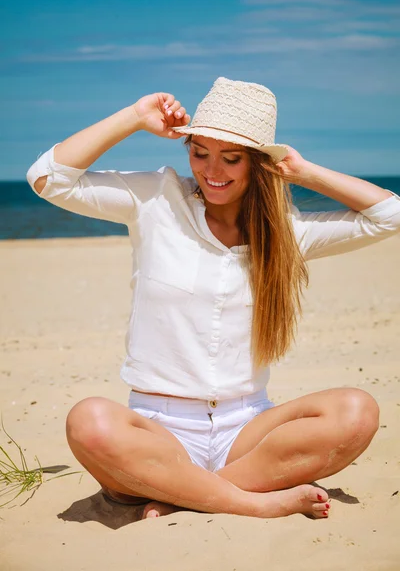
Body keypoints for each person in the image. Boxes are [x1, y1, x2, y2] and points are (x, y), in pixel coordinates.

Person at [27, 77, 400, 521]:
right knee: (88, 421)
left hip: (247, 430)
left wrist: (304, 172)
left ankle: (180, 497)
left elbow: (389, 215)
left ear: (258, 163)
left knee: (356, 411)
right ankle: (253, 504)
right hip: (159, 429)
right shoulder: (155, 199)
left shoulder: (288, 232)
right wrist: (134, 117)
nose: (211, 170)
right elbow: (48, 179)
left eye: (232, 158)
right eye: (199, 152)